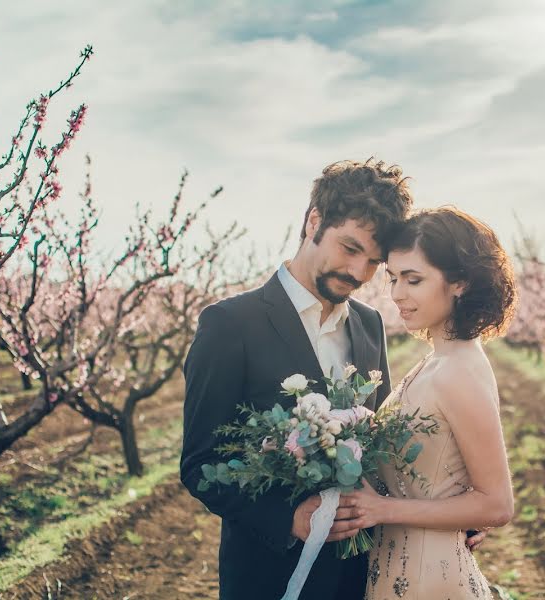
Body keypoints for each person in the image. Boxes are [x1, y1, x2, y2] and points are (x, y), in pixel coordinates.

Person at [180, 159, 411, 600]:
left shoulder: (370, 324)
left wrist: (442, 510)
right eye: (349, 248)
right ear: (314, 221)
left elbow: (380, 443)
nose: (359, 273)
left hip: (358, 573)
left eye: (373, 262)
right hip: (269, 575)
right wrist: (288, 518)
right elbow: (199, 464)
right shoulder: (229, 324)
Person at [341, 207, 517, 599]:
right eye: (393, 278)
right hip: (397, 570)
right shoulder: (438, 360)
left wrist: (382, 510)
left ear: (460, 283)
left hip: (430, 582)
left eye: (414, 279)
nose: (397, 294)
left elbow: (497, 504)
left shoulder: (457, 372)